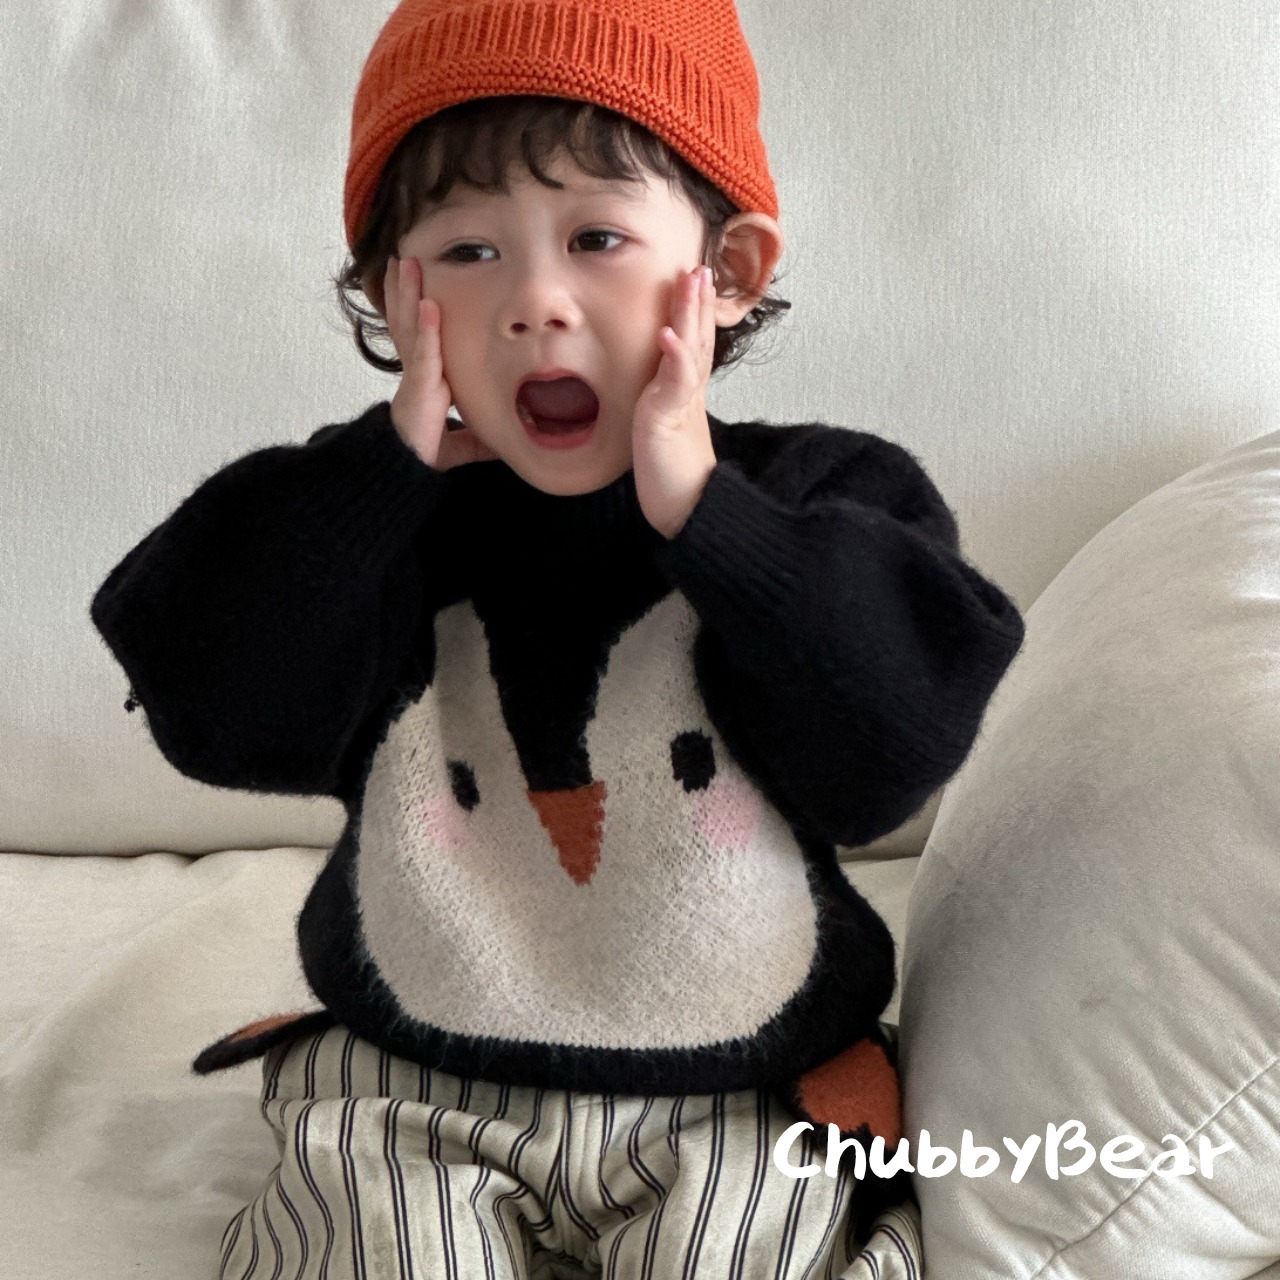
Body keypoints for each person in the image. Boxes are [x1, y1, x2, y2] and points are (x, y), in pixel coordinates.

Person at [89, 0, 1025, 1274]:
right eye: (467, 251)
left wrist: (706, 514)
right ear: (393, 293)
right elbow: (214, 713)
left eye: (595, 237)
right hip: (412, 1085)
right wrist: (371, 483)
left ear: (727, 270)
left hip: (732, 1094)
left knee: (751, 1245)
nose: (534, 301)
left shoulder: (819, 498)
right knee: (378, 1244)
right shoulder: (363, 521)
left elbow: (891, 751)